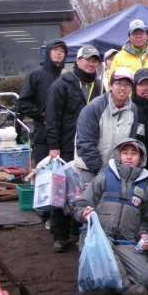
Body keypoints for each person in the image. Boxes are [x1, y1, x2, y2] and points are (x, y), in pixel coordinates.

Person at [74, 138, 148, 295]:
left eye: (134, 154)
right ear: (119, 155)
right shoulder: (103, 177)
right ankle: (123, 285)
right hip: (97, 237)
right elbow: (81, 205)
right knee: (106, 249)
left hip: (125, 240)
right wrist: (84, 212)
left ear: (141, 158)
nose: (128, 157)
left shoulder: (145, 189)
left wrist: (143, 235)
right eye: (125, 152)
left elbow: (144, 220)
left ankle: (112, 277)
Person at [45, 45, 102, 253]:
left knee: (82, 192)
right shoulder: (62, 85)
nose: (90, 63)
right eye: (87, 59)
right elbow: (51, 118)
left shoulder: (98, 86)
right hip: (65, 148)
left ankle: (77, 230)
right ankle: (60, 236)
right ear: (77, 61)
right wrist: (54, 147)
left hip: (87, 148)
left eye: (94, 60)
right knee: (61, 193)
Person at [75, 67, 139, 183]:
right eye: (118, 84)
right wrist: (100, 171)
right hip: (88, 167)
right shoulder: (94, 108)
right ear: (110, 85)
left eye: (127, 85)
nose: (123, 88)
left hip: (116, 170)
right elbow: (85, 143)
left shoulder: (133, 109)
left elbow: (131, 141)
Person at [18, 39, 68, 161]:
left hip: (66, 137)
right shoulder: (35, 75)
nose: (58, 53)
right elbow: (23, 104)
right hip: (43, 136)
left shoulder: (68, 77)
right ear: (47, 52)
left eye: (62, 51)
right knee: (44, 177)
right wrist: (44, 116)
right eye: (55, 50)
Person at [109, 19, 148, 99]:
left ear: (147, 35)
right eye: (134, 33)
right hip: (128, 105)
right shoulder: (119, 57)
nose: (138, 36)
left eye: (141, 33)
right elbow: (111, 84)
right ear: (129, 36)